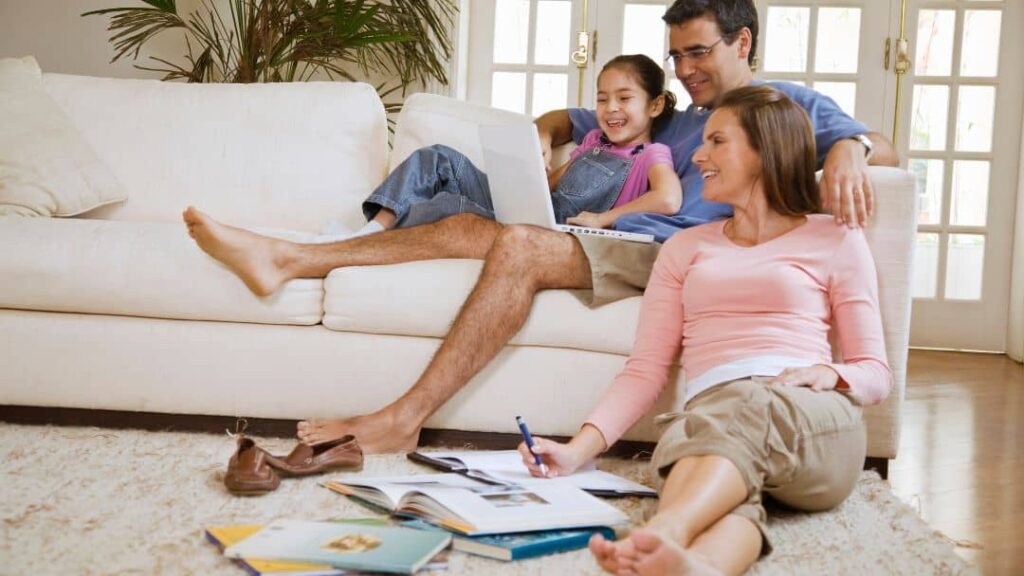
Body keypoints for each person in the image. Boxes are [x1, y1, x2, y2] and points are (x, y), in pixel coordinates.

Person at [181, 0, 899, 454]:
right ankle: (290, 258)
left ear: (743, 42)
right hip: (627, 243)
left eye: (699, 52)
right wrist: (548, 137)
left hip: (679, 252)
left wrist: (846, 149)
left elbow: (884, 150)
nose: (684, 68)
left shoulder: (786, 104)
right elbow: (572, 118)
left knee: (519, 244)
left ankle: (403, 412)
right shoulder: (672, 115)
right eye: (676, 55)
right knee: (467, 225)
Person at [517, 85, 893, 576]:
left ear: (765, 151)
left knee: (743, 407)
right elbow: (646, 370)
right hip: (712, 421)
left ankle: (663, 530)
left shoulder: (836, 237)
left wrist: (828, 374)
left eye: (717, 142)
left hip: (811, 421)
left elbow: (876, 373)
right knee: (706, 447)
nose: (697, 155)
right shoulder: (685, 248)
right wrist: (574, 451)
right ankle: (697, 567)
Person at [358, 54, 682, 235]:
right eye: (602, 99)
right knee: (438, 157)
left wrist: (602, 219)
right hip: (528, 207)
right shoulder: (595, 139)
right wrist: (528, 173)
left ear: (654, 106)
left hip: (550, 229)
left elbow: (667, 199)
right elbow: (552, 189)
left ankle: (375, 239)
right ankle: (372, 229)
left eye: (624, 98)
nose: (611, 108)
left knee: (449, 206)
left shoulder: (651, 154)